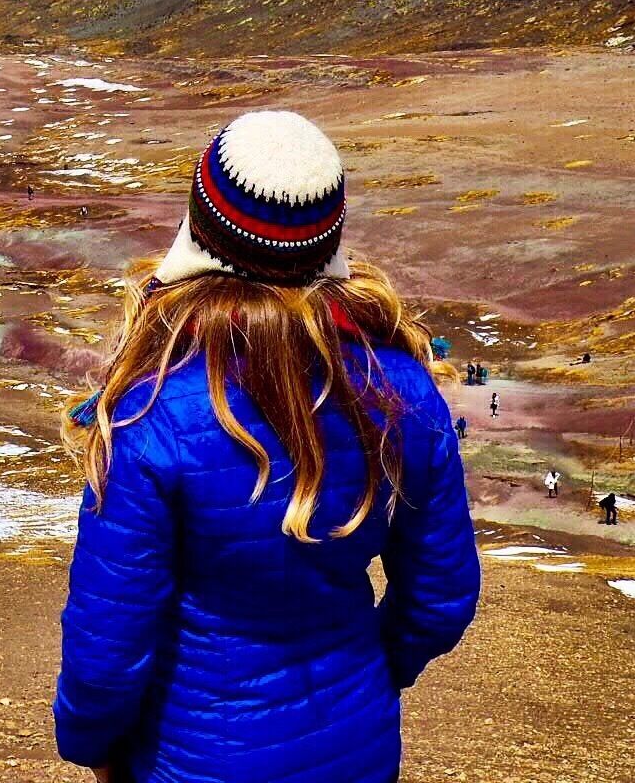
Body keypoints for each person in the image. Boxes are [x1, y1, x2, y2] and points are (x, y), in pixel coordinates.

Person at [56, 111, 479, 783]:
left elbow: (107, 647)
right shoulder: (402, 391)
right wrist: (369, 672)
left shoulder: (150, 414)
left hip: (189, 757)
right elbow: (441, 595)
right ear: (331, 238)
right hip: (356, 752)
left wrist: (92, 747)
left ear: (198, 226)